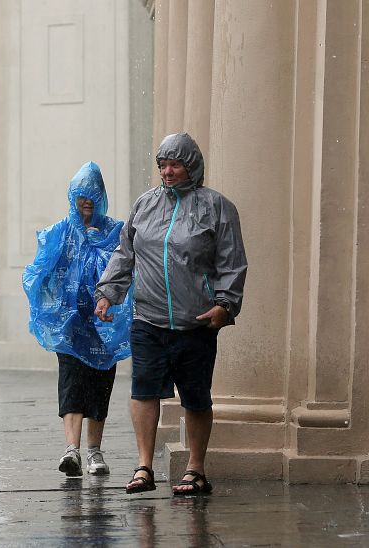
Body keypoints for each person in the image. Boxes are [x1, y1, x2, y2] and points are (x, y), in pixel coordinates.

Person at [94, 133, 247, 496]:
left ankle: (196, 469)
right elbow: (124, 253)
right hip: (147, 319)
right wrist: (107, 293)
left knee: (196, 396)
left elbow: (232, 261)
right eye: (162, 165)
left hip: (196, 321)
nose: (167, 171)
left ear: (191, 166)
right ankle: (144, 466)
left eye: (175, 164)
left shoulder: (217, 207)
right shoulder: (145, 204)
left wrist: (225, 305)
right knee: (143, 392)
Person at [22, 162, 132, 477]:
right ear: (72, 196)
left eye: (93, 194)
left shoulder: (115, 232)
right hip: (69, 325)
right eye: (81, 194)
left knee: (100, 383)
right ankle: (72, 450)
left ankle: (95, 452)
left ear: (102, 197)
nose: (87, 201)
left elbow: (124, 269)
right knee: (71, 382)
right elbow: (39, 271)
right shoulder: (60, 232)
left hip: (103, 323)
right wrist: (49, 306)